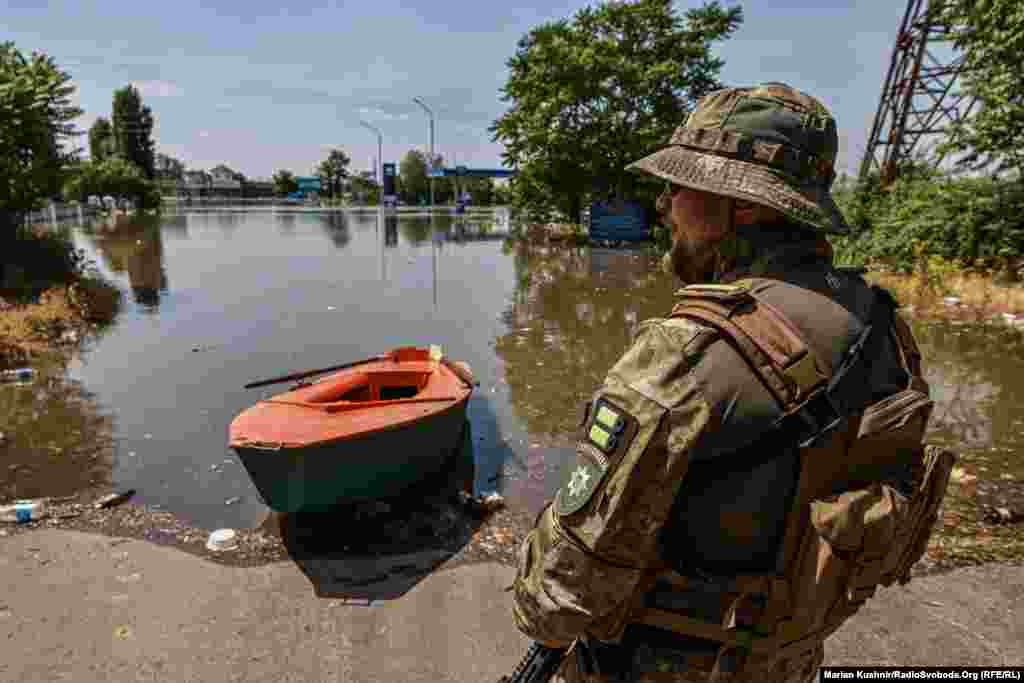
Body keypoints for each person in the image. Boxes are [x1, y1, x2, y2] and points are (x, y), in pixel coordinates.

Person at [509, 83, 956, 682]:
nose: (665, 204)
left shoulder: (685, 352)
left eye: (681, 186)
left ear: (742, 207)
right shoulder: (882, 326)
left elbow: (561, 593)